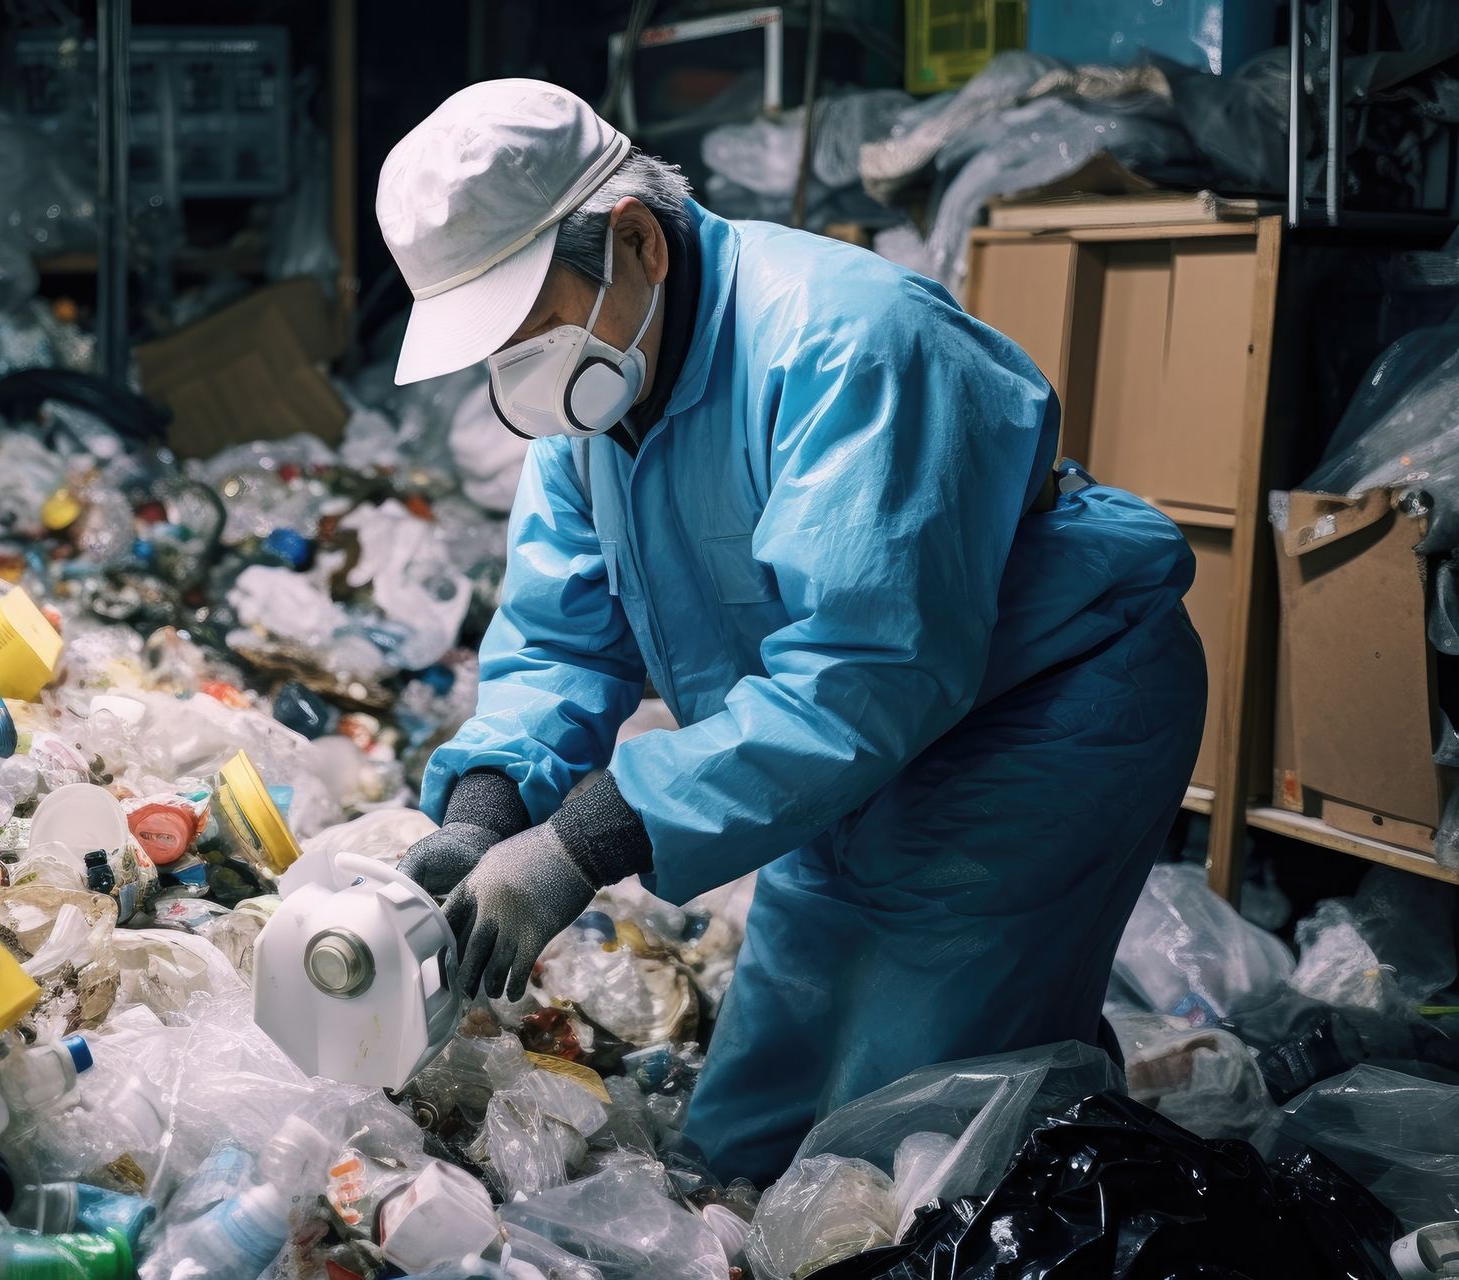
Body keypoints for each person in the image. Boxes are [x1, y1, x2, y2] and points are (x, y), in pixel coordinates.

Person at [378, 79, 1206, 1185]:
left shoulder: (850, 345)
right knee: (745, 1131)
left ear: (637, 242)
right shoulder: (589, 402)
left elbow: (870, 667)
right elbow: (559, 638)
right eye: (492, 346)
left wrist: (585, 840)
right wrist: (488, 811)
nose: (516, 369)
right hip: (836, 738)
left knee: (896, 1143)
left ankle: (1073, 1171)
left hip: (1037, 710)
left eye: (525, 326)